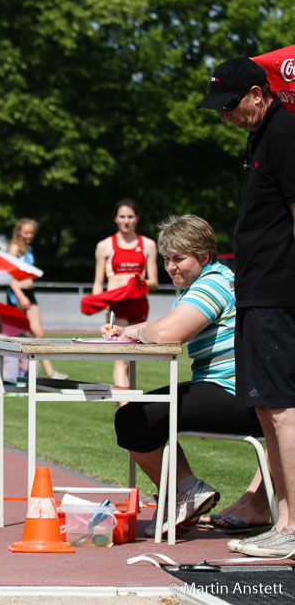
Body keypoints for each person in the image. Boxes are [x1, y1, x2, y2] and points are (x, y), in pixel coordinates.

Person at [103, 215, 262, 537]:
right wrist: (131, 331)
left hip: (235, 392)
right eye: (166, 259)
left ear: (204, 257)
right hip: (236, 389)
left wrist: (139, 331)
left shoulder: (212, 284)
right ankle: (185, 492)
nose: (171, 266)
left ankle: (187, 491)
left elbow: (168, 334)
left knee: (133, 418)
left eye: (179, 258)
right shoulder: (210, 282)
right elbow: (162, 325)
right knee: (140, 414)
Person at [198, 55, 295, 557]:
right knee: (266, 408)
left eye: (232, 105)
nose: (226, 115)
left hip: (279, 294)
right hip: (258, 293)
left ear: (259, 93)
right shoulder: (261, 135)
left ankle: (292, 526)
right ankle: (278, 516)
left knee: (281, 410)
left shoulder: (283, 133)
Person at [87, 198, 158, 388]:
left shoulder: (148, 245)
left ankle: (127, 406)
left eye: (130, 216)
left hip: (138, 303)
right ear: (115, 219)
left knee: (132, 355)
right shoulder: (105, 246)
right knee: (120, 357)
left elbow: (154, 282)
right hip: (117, 306)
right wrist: (98, 304)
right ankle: (124, 405)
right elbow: (98, 283)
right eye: (122, 217)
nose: (126, 221)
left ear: (137, 218)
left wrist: (136, 283)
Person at [5, 218, 67, 380]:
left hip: (29, 292)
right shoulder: (14, 248)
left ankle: (49, 372)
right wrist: (20, 296)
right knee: (16, 334)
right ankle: (16, 372)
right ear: (19, 232)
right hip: (17, 294)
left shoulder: (28, 248)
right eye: (26, 232)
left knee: (38, 333)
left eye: (31, 232)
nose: (29, 235)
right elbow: (9, 275)